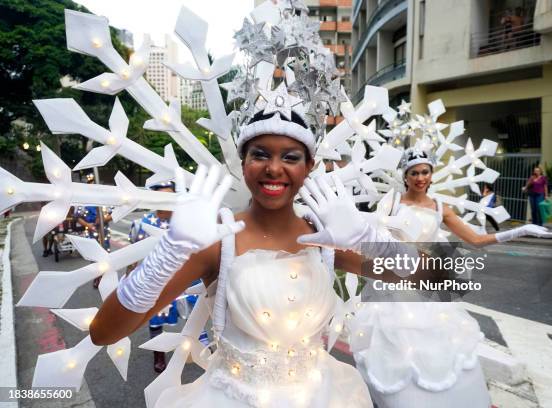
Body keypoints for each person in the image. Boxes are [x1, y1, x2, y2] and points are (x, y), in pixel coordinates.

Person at [88, 110, 398, 407]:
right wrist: (169, 251)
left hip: (326, 395)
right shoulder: (216, 241)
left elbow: (440, 277)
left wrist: (368, 239)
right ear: (243, 162)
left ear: (310, 166)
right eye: (260, 154)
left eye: (290, 157)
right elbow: (104, 332)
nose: (274, 168)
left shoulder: (326, 239)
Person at [348, 149, 552, 408]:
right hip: (394, 288)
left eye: (425, 171)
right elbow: (375, 241)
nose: (420, 177)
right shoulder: (391, 203)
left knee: (438, 353)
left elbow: (477, 240)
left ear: (431, 174)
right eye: (414, 172)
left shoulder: (440, 208)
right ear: (405, 176)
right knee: (394, 355)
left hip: (428, 290)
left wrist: (519, 231)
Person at [127, 181, 208, 374]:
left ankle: (204, 350)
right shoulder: (142, 224)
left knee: (197, 318)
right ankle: (158, 353)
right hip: (159, 284)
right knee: (156, 319)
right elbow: (134, 255)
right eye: (161, 197)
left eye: (171, 197)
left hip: (189, 282)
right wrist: (130, 277)